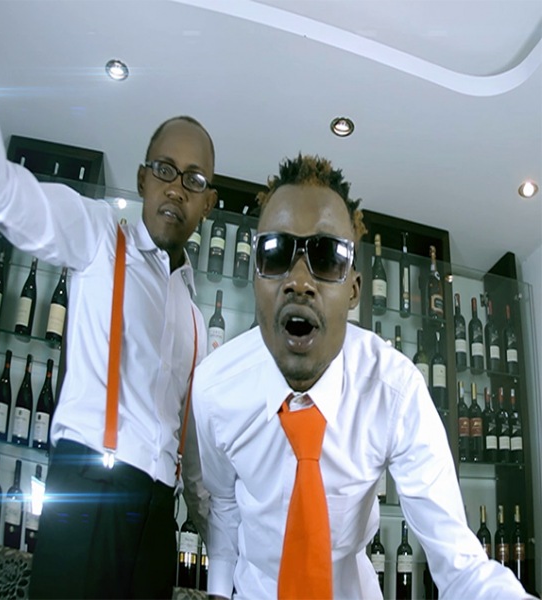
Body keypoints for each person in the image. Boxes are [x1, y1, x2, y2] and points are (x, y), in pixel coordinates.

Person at [0, 1, 216, 598]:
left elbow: (195, 461)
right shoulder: (98, 236)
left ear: (208, 202)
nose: (177, 187)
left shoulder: (198, 322)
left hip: (158, 520)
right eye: (165, 169)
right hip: (87, 493)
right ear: (142, 179)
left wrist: (227, 556)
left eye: (194, 179)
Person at [192, 154, 534, 599]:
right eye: (275, 253)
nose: (299, 281)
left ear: (353, 289)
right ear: (256, 277)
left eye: (327, 257)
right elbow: (223, 503)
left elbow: (460, 564)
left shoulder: (395, 390)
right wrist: (219, 592)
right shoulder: (214, 387)